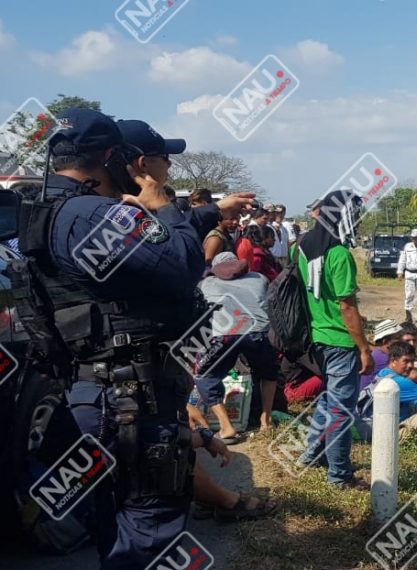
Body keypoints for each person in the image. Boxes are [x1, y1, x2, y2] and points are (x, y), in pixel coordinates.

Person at [10, 110, 253, 566]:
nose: (166, 169)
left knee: (116, 521)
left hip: (98, 391)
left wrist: (205, 212)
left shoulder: (57, 210)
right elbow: (181, 263)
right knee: (148, 531)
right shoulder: (95, 215)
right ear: (116, 157)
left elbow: (146, 251)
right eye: (162, 160)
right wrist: (162, 205)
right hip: (129, 400)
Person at [295, 190, 375, 490]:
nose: (358, 220)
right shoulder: (339, 254)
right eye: (355, 215)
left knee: (330, 400)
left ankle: (311, 455)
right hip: (340, 341)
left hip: (317, 336)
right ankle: (339, 474)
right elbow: (346, 306)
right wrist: (364, 348)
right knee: (342, 411)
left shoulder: (301, 248)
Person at [195, 252, 280, 435]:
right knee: (269, 373)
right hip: (257, 333)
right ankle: (266, 419)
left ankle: (226, 426)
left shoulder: (205, 283)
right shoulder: (259, 278)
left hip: (222, 336)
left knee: (204, 375)